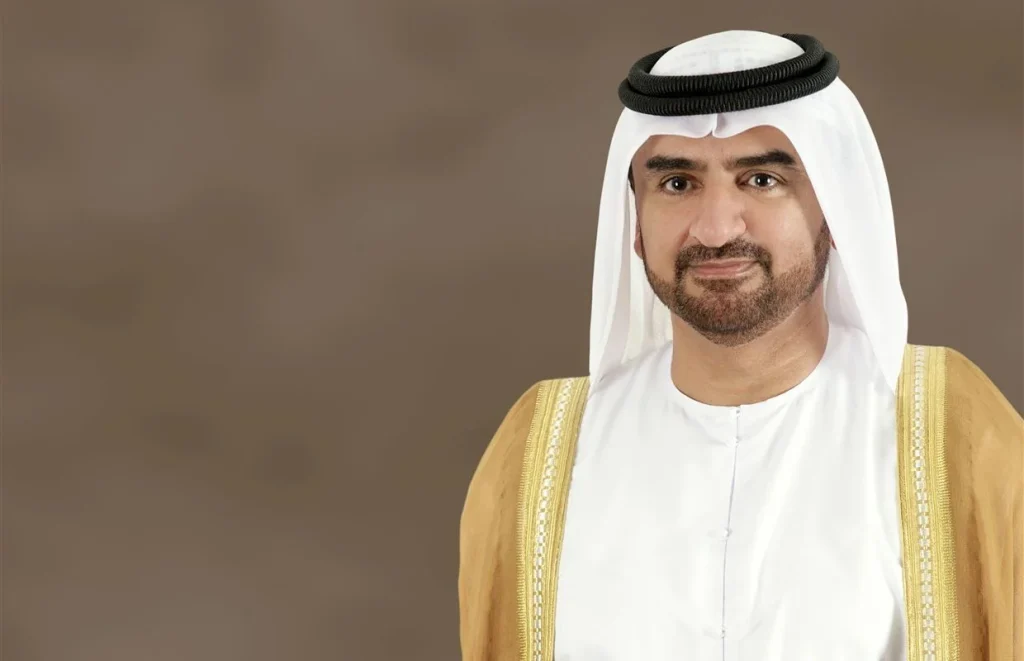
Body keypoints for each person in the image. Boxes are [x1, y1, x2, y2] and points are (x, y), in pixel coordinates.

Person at [457, 30, 1022, 661]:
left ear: (835, 209)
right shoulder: (540, 454)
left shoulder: (954, 436)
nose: (716, 228)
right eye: (677, 184)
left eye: (761, 179)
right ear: (635, 224)